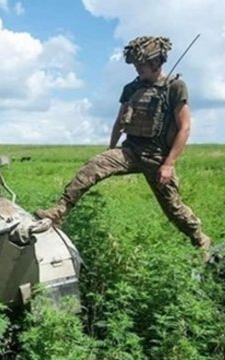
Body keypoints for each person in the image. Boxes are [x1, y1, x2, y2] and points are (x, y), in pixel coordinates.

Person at [35, 36, 211, 250]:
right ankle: (59, 211)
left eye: (142, 64)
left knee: (173, 208)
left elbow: (184, 127)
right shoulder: (131, 88)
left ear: (156, 62)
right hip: (130, 151)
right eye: (135, 65)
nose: (137, 69)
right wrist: (110, 152)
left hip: (157, 158)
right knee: (92, 168)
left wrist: (169, 164)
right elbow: (120, 121)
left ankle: (200, 240)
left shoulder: (175, 87)